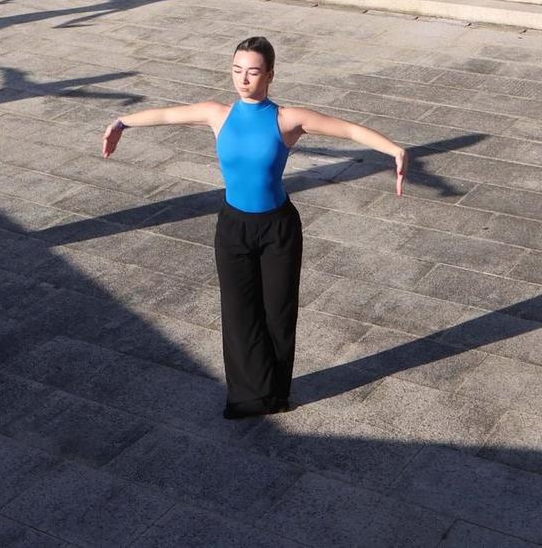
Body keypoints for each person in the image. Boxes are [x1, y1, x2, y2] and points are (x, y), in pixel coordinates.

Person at [101, 37, 405, 418]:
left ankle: (276, 394)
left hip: (278, 229)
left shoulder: (286, 119)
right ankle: (246, 397)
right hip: (234, 228)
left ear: (270, 75)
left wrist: (394, 149)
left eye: (253, 71)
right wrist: (121, 122)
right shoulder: (218, 114)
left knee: (277, 312)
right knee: (239, 313)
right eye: (237, 70)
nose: (243, 79)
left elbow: (347, 130)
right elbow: (165, 115)